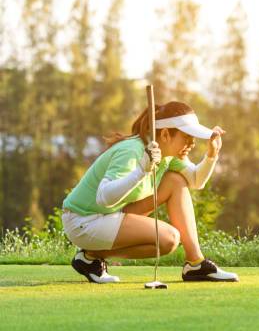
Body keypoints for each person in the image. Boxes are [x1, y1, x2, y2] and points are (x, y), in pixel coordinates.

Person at [61, 101, 238, 284]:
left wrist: (211, 155)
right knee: (170, 239)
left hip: (111, 215)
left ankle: (196, 264)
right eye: (187, 137)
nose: (192, 143)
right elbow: (104, 197)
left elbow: (195, 181)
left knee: (175, 181)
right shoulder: (132, 151)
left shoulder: (167, 156)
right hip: (85, 220)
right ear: (166, 134)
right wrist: (141, 171)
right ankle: (90, 256)